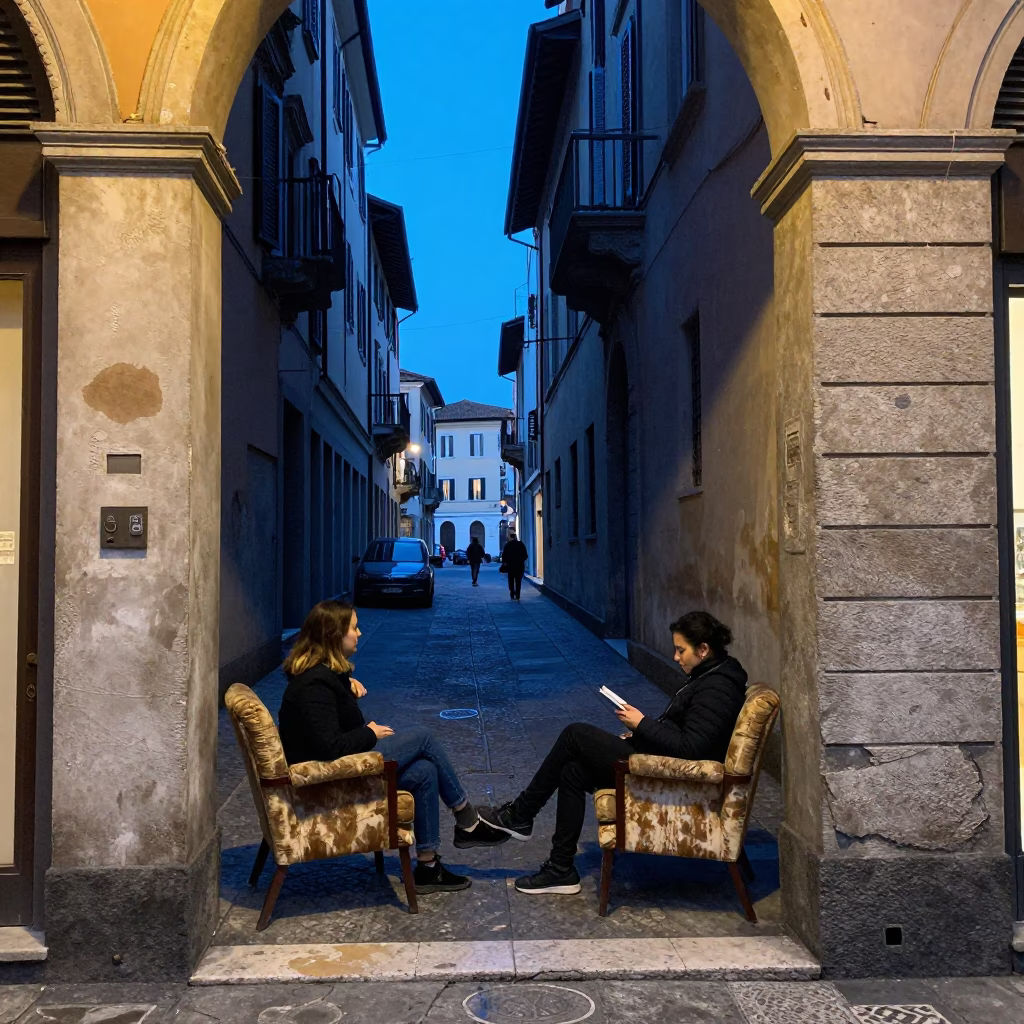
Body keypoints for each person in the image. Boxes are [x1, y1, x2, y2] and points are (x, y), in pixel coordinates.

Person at [479, 611, 748, 895]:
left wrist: (642, 724)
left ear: (703, 649)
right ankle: (561, 869)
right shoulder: (711, 673)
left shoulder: (718, 688)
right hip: (657, 756)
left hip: (673, 778)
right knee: (572, 770)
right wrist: (641, 731)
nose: (676, 656)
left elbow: (692, 749)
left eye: (681, 650)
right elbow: (687, 734)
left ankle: (521, 814)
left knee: (575, 734)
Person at [278, 600, 509, 893]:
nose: (359, 633)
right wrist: (370, 733)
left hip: (343, 767)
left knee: (425, 771)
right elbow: (329, 746)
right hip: (331, 778)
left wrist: (344, 683)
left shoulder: (323, 678)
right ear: (333, 634)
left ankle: (428, 866)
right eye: (354, 627)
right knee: (424, 737)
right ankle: (467, 818)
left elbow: (328, 720)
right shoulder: (314, 686)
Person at [500, 529, 528, 600]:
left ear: (510, 537)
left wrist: (505, 563)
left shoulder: (507, 545)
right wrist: (521, 560)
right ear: (515, 537)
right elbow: (525, 555)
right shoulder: (521, 544)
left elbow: (504, 556)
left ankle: (512, 593)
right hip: (519, 566)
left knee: (511, 580)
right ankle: (518, 594)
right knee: (518, 580)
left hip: (511, 566)